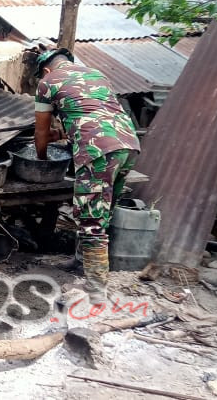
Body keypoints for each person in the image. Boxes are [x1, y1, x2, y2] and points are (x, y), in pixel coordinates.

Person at [32, 48, 140, 303]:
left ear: (46, 70)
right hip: (128, 145)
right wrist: (63, 134)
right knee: (103, 210)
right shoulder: (96, 74)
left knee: (91, 217)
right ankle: (80, 261)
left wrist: (42, 159)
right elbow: (92, 114)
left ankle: (96, 289)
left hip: (97, 151)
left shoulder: (47, 82)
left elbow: (40, 133)